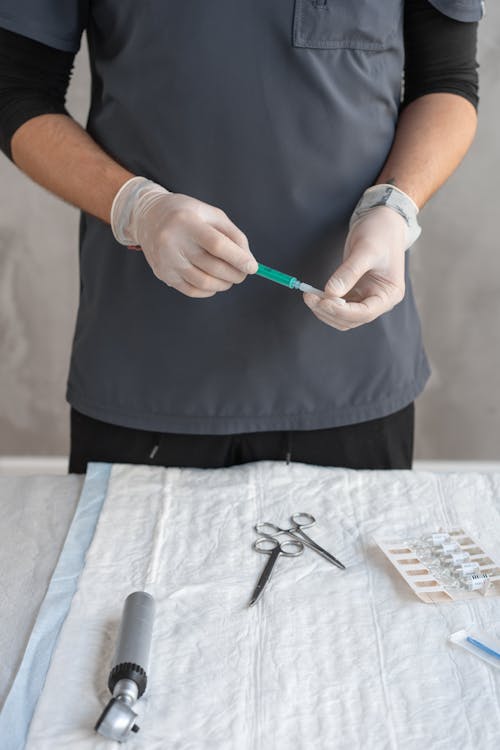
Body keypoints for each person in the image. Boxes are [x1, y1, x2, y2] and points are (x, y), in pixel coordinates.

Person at [0, 0, 482, 473]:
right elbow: (16, 90)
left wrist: (395, 206)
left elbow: (446, 80)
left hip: (351, 369)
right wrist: (137, 207)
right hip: (148, 361)